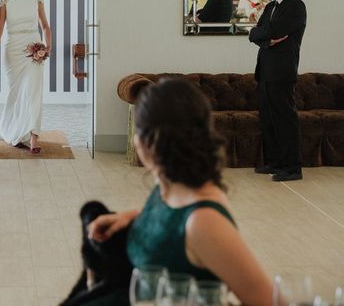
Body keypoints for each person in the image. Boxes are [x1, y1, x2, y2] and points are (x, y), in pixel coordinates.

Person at [79, 78, 273, 305]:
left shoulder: (204, 222)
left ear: (147, 141)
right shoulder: (171, 185)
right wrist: (129, 217)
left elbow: (269, 301)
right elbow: (169, 219)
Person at [249, 0, 307, 181]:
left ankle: (292, 168)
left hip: (282, 72)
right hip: (264, 71)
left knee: (284, 120)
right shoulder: (270, 6)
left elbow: (272, 31)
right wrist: (265, 38)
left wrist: (263, 35)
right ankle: (274, 163)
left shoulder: (296, 6)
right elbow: (253, 33)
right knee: (268, 120)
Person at [0, 0, 51, 154]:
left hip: (34, 49)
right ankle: (15, 131)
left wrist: (47, 47)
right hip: (13, 50)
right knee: (15, 94)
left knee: (33, 92)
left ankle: (33, 137)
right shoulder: (5, 2)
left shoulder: (36, 0)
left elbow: (45, 26)